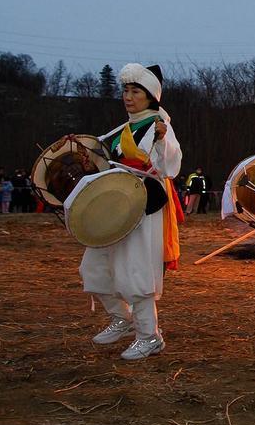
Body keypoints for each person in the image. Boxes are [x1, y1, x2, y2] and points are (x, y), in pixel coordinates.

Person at [79, 63, 184, 362]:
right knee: (94, 267)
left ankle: (149, 336)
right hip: (115, 205)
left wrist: (163, 139)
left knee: (135, 272)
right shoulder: (125, 127)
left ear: (151, 95)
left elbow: (169, 167)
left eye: (135, 91)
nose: (128, 96)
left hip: (143, 204)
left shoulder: (159, 122)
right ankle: (123, 318)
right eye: (126, 90)